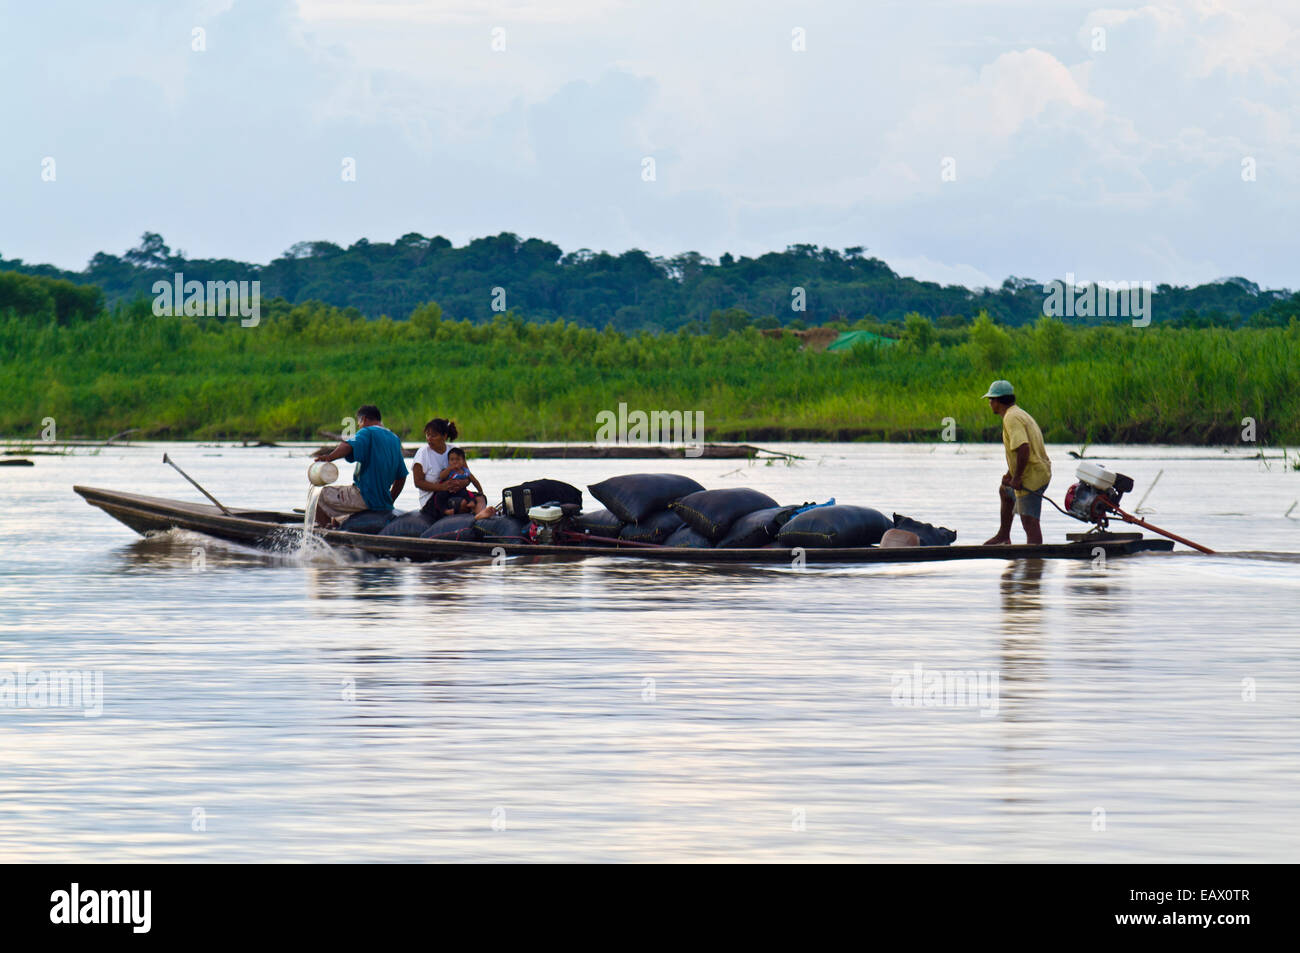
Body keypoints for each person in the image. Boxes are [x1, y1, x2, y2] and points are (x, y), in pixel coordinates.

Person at [312, 405, 408, 527]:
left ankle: (323, 537)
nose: (359, 427)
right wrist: (389, 501)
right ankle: (334, 526)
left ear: (364, 419)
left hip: (363, 495)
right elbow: (401, 477)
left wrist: (329, 457)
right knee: (337, 520)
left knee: (319, 495)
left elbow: (347, 445)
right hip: (383, 501)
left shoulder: (367, 431)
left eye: (359, 423)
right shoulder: (394, 438)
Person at [981, 380, 1052, 546]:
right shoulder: (1018, 413)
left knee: (1029, 522)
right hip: (1038, 472)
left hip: (1032, 476)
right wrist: (1010, 475)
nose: (990, 403)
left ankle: (1034, 561)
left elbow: (1023, 448)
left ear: (998, 401)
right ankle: (1003, 536)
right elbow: (1019, 451)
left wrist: (1017, 477)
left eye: (991, 400)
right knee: (1005, 491)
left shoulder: (1011, 418)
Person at [412, 419, 494, 520]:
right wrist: (442, 487)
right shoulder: (423, 453)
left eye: (433, 436)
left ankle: (481, 517)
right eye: (427, 435)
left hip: (456, 492)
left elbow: (467, 475)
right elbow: (418, 482)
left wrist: (461, 484)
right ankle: (476, 517)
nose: (429, 439)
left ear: (444, 436)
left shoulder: (454, 450)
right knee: (463, 503)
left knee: (480, 498)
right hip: (434, 498)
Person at [430, 447, 491, 517]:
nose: (455, 462)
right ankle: (445, 511)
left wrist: (480, 491)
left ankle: (473, 504)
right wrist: (449, 468)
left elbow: (474, 481)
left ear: (463, 461)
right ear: (448, 461)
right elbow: (442, 476)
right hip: (448, 491)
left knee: (469, 495)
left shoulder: (465, 471)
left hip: (461, 491)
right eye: (452, 460)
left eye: (458, 459)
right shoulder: (449, 471)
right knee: (439, 496)